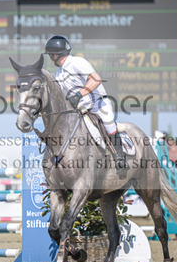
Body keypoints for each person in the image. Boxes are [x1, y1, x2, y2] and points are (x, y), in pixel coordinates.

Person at [44, 35, 127, 177]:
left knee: (108, 124)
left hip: (98, 104)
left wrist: (79, 94)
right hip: (79, 109)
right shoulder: (59, 74)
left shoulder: (77, 62)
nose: (50, 59)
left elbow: (96, 79)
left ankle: (119, 158)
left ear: (55, 55)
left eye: (50, 56)